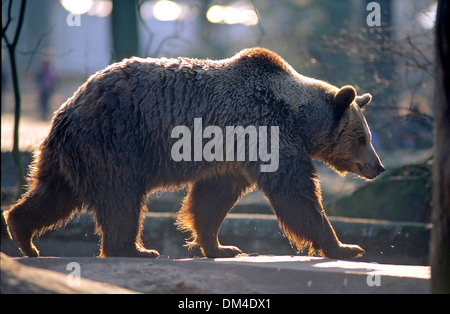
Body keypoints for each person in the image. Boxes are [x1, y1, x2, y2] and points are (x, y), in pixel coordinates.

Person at [35, 50, 56, 120]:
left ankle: (45, 116)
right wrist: (39, 85)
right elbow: (38, 76)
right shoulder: (42, 66)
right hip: (43, 87)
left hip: (48, 88)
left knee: (47, 102)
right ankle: (42, 116)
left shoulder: (51, 66)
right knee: (42, 102)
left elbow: (54, 78)